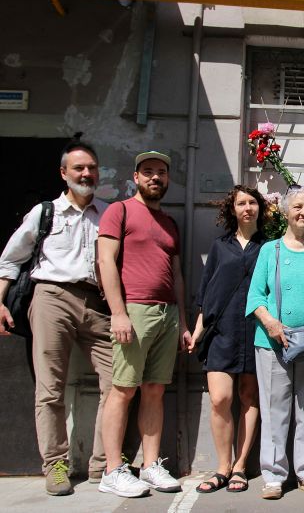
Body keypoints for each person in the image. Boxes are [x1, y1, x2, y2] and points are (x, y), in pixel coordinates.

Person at [0, 135, 112, 496]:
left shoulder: (110, 213)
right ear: (64, 173)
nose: (86, 173)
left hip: (98, 302)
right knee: (50, 388)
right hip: (52, 297)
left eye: (92, 167)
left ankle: (103, 462)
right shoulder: (45, 212)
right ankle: (56, 465)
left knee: (119, 383)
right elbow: (10, 259)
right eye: (79, 168)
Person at [96, 151, 191, 498]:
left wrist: (183, 321)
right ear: (136, 177)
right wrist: (118, 312)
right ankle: (112, 470)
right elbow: (106, 261)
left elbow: (176, 275)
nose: (155, 177)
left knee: (154, 390)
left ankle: (150, 465)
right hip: (134, 311)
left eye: (161, 172)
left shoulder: (169, 223)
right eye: (148, 171)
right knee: (123, 389)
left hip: (167, 314)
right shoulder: (118, 211)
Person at [246, 185, 304, 500]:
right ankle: (273, 475)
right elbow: (256, 296)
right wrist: (270, 323)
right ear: (286, 212)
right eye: (298, 207)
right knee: (275, 409)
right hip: (273, 341)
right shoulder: (269, 250)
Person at [188, 186, 267, 493]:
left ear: (260, 208)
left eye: (252, 202)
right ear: (233, 209)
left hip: (255, 331)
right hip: (221, 332)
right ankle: (222, 466)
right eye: (241, 203)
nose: (247, 208)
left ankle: (240, 467)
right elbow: (206, 292)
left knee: (249, 397)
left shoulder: (269, 247)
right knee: (220, 399)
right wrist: (198, 330)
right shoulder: (220, 247)